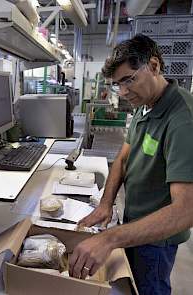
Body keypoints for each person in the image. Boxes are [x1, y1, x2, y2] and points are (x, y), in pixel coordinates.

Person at [69, 34, 193, 295]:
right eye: (117, 84)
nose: (123, 92)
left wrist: (110, 238)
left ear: (155, 66)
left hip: (157, 241)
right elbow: (124, 157)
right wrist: (105, 204)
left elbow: (186, 211)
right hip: (135, 224)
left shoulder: (182, 120)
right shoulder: (146, 104)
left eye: (129, 79)